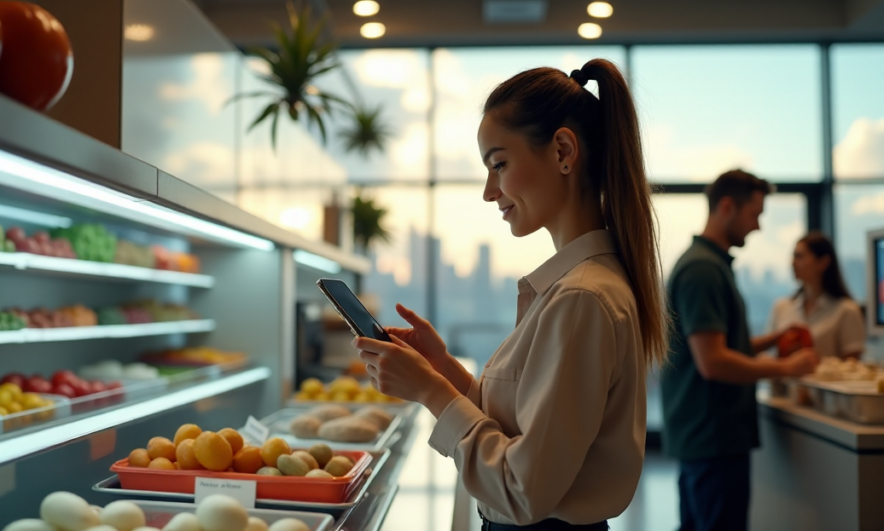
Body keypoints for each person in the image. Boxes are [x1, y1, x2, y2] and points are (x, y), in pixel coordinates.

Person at [353, 59, 666, 530]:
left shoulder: (581, 298)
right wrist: (444, 369)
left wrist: (428, 390)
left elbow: (523, 490)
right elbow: (526, 429)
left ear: (563, 151)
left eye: (499, 164)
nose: (488, 191)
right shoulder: (575, 287)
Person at [660, 170, 819, 531]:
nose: (759, 227)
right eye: (755, 215)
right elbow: (713, 362)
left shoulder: (707, 263)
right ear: (727, 207)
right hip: (713, 437)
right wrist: (787, 368)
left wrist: (773, 341)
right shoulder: (703, 270)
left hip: (703, 436)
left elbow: (722, 344)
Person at [768, 232, 866, 359]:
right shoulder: (781, 307)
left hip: (823, 379)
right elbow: (768, 355)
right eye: (793, 256)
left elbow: (852, 369)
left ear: (823, 262)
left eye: (799, 257)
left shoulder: (847, 311)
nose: (792, 263)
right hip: (781, 379)